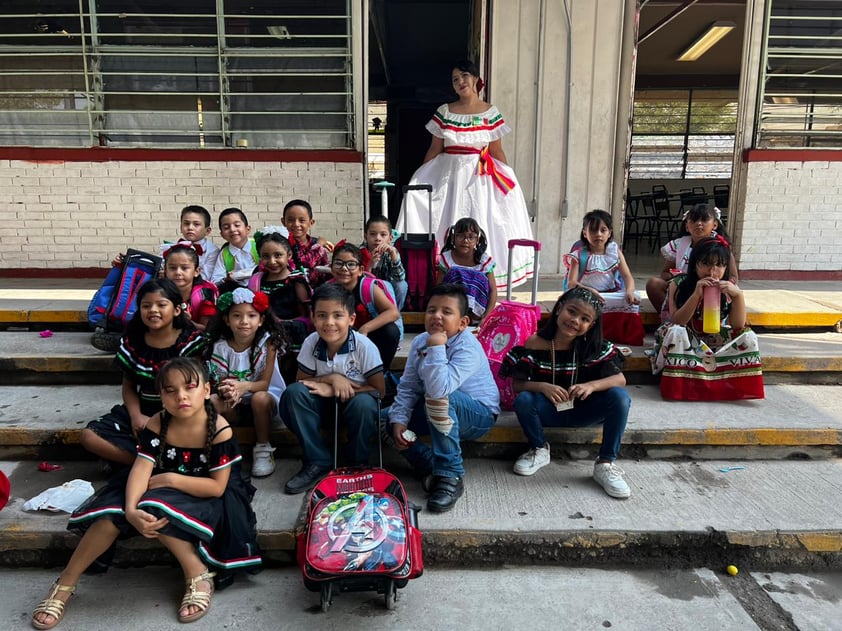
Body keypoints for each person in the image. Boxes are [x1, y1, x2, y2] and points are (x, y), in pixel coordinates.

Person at [30, 358, 260, 629]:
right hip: (158, 485)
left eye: (189, 387)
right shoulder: (157, 422)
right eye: (170, 390)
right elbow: (140, 469)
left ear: (207, 390)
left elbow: (217, 487)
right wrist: (130, 509)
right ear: (161, 395)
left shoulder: (219, 429)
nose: (181, 396)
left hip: (204, 494)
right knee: (111, 514)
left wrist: (172, 479)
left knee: (152, 505)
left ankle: (197, 571)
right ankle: (65, 583)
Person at [397, 59, 534, 290]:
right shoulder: (445, 111)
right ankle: (443, 273)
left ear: (476, 79)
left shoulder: (491, 112)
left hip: (480, 177)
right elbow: (435, 148)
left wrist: (510, 182)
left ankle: (483, 278)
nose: (460, 82)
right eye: (455, 79)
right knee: (444, 218)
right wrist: (419, 179)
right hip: (448, 175)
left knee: (484, 219)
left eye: (464, 76)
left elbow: (496, 150)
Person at [500, 287, 632, 499]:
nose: (575, 321)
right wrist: (543, 386)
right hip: (549, 411)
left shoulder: (596, 347)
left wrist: (591, 386)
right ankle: (538, 448)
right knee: (525, 400)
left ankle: (605, 463)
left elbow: (620, 380)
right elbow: (518, 385)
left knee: (620, 397)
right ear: (559, 308)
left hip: (586, 411)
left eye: (585, 319)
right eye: (572, 311)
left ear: (592, 325)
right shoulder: (536, 343)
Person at [388, 283, 500, 513]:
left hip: (478, 414)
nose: (437, 316)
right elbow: (409, 386)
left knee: (439, 398)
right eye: (431, 310)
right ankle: (430, 466)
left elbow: (440, 390)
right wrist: (398, 419)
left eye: (446, 312)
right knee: (384, 419)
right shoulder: (420, 341)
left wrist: (437, 348)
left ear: (463, 323)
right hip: (436, 409)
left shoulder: (467, 346)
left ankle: (451, 475)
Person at [80, 279, 206, 468]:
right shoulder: (133, 341)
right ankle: (150, 463)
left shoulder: (189, 342)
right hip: (143, 411)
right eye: (146, 305)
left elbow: (196, 388)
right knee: (88, 436)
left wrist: (162, 419)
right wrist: (136, 416)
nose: (153, 310)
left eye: (161, 304)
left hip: (181, 412)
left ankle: (145, 461)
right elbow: (128, 386)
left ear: (177, 310)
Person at [280, 284, 385, 495]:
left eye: (338, 315)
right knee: (293, 394)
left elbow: (378, 391)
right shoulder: (312, 342)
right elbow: (301, 382)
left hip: (355, 411)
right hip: (322, 410)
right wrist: (332, 379)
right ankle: (317, 460)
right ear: (313, 318)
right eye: (322, 315)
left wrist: (340, 390)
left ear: (351, 319)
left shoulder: (364, 346)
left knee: (364, 404)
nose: (329, 323)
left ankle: (358, 463)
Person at [649, 236, 763, 401]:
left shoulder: (727, 288)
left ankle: (730, 382)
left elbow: (738, 326)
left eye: (719, 265)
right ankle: (681, 383)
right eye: (707, 264)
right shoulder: (679, 283)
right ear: (695, 264)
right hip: (686, 340)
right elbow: (678, 321)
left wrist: (737, 296)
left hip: (713, 340)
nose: (713, 271)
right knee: (675, 332)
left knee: (749, 335)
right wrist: (696, 295)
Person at [206, 287, 287, 478]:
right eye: (236, 316)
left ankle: (263, 449)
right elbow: (220, 382)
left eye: (251, 315)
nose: (244, 321)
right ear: (227, 320)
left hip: (265, 401)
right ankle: (217, 449)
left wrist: (244, 386)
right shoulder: (221, 346)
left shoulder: (268, 344)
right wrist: (230, 391)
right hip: (236, 402)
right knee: (211, 402)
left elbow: (265, 384)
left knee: (259, 398)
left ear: (261, 320)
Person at [645, 204, 737, 322]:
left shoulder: (720, 246)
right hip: (684, 288)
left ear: (715, 225)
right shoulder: (679, 245)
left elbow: (733, 276)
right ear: (687, 226)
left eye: (704, 220)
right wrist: (676, 279)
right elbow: (665, 273)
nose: (699, 223)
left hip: (713, 288)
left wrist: (723, 285)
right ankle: (669, 319)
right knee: (653, 284)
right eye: (694, 220)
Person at [564, 210, 644, 345]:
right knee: (579, 303)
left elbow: (627, 275)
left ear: (609, 233)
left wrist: (629, 291)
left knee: (633, 298)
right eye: (593, 230)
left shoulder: (614, 252)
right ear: (585, 233)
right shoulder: (578, 255)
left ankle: (622, 336)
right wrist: (590, 291)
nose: (598, 234)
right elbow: (572, 283)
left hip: (609, 295)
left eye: (603, 230)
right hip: (585, 294)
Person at [330, 242, 403, 372]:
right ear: (331, 268)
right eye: (339, 263)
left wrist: (365, 328)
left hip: (368, 336)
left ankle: (380, 373)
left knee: (390, 331)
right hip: (338, 335)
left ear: (360, 270)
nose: (344, 268)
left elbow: (393, 313)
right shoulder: (327, 290)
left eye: (351, 264)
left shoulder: (368, 288)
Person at [248, 225, 312, 349]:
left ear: (289, 255)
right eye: (266, 256)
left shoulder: (296, 281)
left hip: (292, 337)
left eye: (278, 255)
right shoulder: (257, 280)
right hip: (263, 337)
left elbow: (305, 316)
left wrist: (281, 324)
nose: (272, 261)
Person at [436, 217, 497, 325]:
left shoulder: (484, 261)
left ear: (477, 240)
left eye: (471, 237)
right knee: (455, 272)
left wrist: (486, 317)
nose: (465, 241)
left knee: (479, 277)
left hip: (477, 317)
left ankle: (473, 318)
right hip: (453, 311)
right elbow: (439, 288)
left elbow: (493, 291)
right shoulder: (447, 259)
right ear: (454, 238)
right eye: (460, 236)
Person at [162, 241, 219, 330]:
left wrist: (187, 322)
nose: (178, 272)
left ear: (196, 271)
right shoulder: (159, 292)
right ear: (165, 270)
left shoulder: (205, 293)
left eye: (184, 268)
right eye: (172, 268)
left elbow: (207, 329)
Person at [361, 214, 407, 311]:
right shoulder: (361, 252)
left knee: (402, 285)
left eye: (383, 235)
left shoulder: (392, 251)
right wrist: (369, 265)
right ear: (366, 236)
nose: (378, 238)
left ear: (390, 239)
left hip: (388, 292)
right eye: (373, 234)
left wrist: (394, 256)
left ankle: (393, 313)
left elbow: (400, 277)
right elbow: (360, 281)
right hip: (368, 293)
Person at [161, 205, 220, 280]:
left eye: (196, 224)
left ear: (207, 231)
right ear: (180, 227)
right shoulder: (171, 247)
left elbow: (206, 277)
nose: (190, 227)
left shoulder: (213, 251)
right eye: (186, 223)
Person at [282, 199, 330, 288]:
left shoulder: (315, 243)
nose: (296, 224)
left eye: (302, 220)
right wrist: (319, 246)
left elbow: (325, 269)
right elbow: (303, 264)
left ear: (311, 223)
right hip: (292, 290)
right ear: (283, 222)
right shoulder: (282, 245)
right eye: (291, 220)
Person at [209, 208, 258, 289]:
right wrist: (226, 279)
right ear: (222, 235)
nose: (232, 229)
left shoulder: (258, 245)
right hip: (236, 290)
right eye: (226, 227)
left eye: (237, 225)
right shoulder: (224, 254)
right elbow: (215, 280)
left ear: (247, 229)